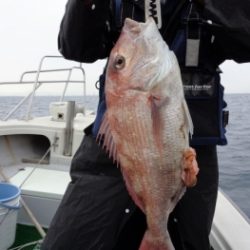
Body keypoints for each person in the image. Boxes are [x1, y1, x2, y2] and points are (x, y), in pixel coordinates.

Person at [41, 1, 229, 249]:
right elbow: (76, 47)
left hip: (194, 153)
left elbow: (244, 41)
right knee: (71, 240)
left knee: (190, 240)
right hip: (118, 145)